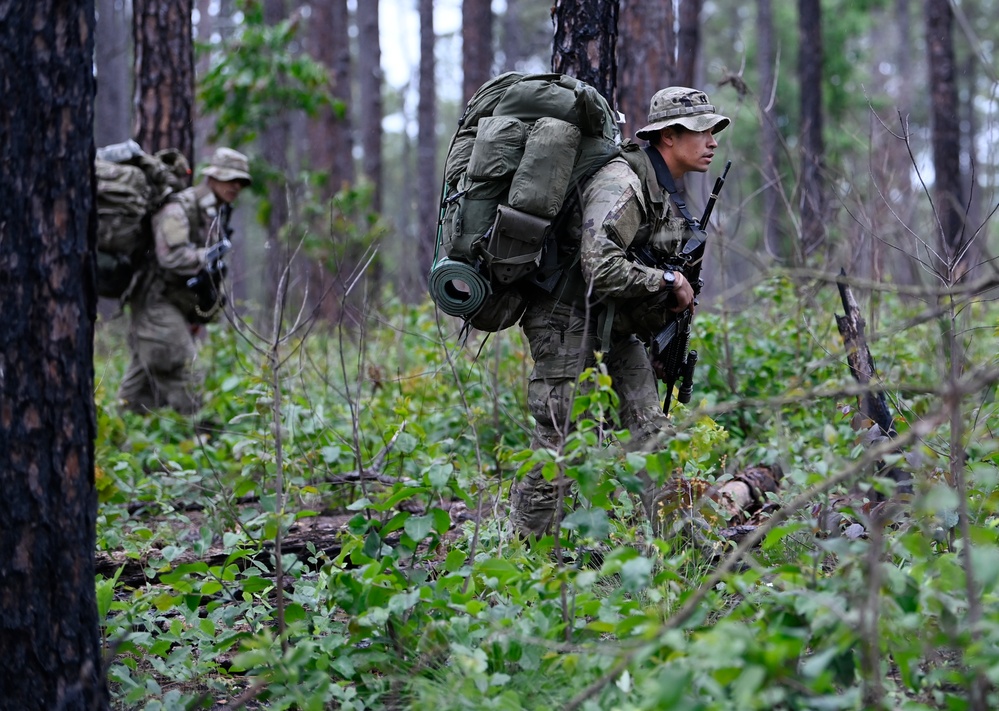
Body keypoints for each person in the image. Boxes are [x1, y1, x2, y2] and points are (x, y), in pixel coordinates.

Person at [509, 87, 730, 539]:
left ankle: (680, 543)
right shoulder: (622, 184)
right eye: (702, 131)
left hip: (612, 326)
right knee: (561, 441)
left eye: (713, 132)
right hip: (566, 321)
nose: (712, 142)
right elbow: (600, 266)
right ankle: (526, 551)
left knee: (650, 428)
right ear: (668, 136)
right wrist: (668, 283)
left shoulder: (662, 190)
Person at [117, 147, 252, 415]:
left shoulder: (216, 213)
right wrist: (206, 256)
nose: (235, 186)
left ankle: (116, 441)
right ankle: (205, 442)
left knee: (139, 391)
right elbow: (172, 258)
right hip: (156, 303)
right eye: (229, 178)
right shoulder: (179, 208)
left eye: (241, 181)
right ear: (211, 177)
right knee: (186, 376)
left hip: (173, 306)